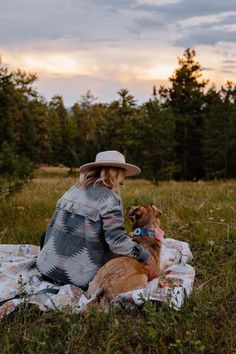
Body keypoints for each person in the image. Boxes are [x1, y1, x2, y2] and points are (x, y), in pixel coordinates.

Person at [36, 150, 157, 290]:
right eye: (123, 174)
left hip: (45, 270)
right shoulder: (109, 199)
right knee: (124, 256)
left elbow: (51, 230)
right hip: (79, 280)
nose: (123, 182)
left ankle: (54, 263)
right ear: (115, 173)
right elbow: (117, 242)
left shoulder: (73, 190)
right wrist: (146, 256)